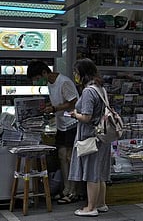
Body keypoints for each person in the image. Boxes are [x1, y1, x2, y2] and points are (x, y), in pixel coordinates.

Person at [27, 60, 80, 204]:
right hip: (61, 125)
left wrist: (55, 109)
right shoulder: (50, 83)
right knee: (62, 157)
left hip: (72, 123)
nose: (36, 82)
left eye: (37, 79)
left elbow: (74, 102)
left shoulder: (64, 82)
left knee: (69, 157)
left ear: (44, 73)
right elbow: (60, 101)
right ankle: (66, 189)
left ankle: (73, 192)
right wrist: (50, 107)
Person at [68, 58, 110, 217]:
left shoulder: (87, 91)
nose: (75, 75)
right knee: (99, 173)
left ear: (82, 74)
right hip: (102, 136)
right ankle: (101, 203)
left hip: (90, 137)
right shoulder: (100, 88)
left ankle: (90, 207)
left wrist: (75, 114)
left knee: (91, 173)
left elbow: (86, 117)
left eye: (76, 73)